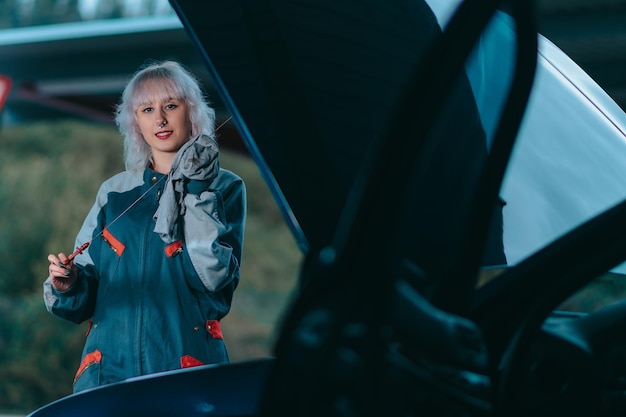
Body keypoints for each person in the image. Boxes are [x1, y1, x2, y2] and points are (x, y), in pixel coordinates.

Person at [43, 60, 246, 393]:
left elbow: (211, 278)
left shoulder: (223, 187)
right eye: (147, 109)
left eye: (170, 105)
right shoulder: (114, 192)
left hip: (184, 371)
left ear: (191, 111)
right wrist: (69, 284)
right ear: (134, 121)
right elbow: (82, 295)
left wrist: (195, 192)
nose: (160, 119)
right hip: (107, 375)